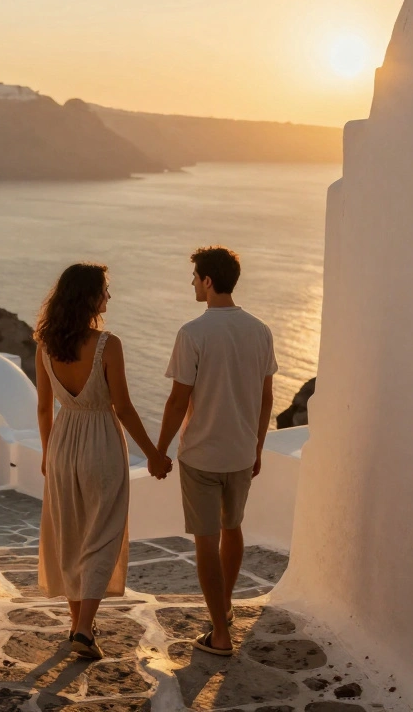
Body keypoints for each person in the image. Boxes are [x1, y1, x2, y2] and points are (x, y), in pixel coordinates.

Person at [34, 262, 172, 660]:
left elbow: (44, 407)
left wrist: (47, 453)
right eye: (105, 290)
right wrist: (154, 455)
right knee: (102, 535)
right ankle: (82, 629)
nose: (109, 297)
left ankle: (80, 627)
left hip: (62, 443)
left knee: (71, 535)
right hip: (101, 445)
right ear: (89, 296)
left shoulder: (44, 344)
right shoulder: (107, 345)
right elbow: (124, 408)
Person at [155, 247, 277, 656]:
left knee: (206, 541)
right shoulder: (260, 330)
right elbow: (266, 398)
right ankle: (222, 610)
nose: (192, 283)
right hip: (242, 453)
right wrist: (257, 445)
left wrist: (159, 449)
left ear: (208, 281)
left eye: (194, 277)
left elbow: (177, 402)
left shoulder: (193, 333)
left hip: (201, 455)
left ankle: (220, 633)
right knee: (233, 528)